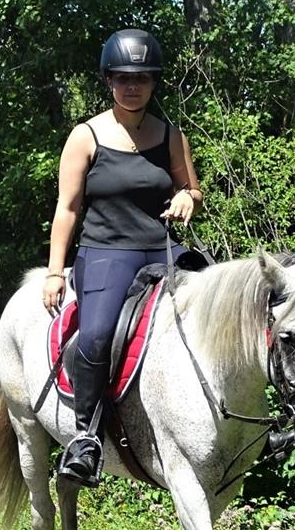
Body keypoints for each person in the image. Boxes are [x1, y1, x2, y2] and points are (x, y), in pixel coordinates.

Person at [42, 29, 202, 488]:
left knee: (228, 302)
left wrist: (189, 197)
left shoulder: (171, 134)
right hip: (106, 252)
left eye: (142, 78)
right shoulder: (86, 135)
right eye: (123, 78)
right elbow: (67, 209)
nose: (133, 86)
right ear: (109, 80)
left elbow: (190, 188)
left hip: (162, 247)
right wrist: (55, 272)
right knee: (95, 335)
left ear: (154, 83)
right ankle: (85, 438)